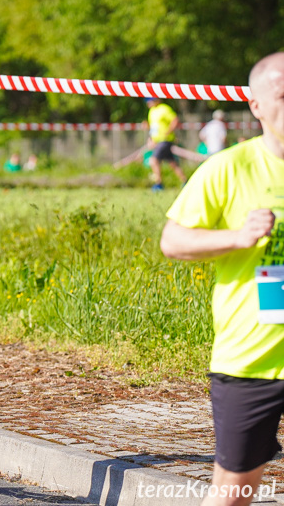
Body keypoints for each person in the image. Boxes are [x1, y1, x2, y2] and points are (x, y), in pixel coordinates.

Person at [159, 52, 284, 506]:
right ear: (256, 107)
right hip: (250, 362)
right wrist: (240, 236)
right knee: (233, 495)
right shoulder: (229, 168)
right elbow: (172, 241)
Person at [144, 97, 187, 190]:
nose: (148, 103)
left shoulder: (164, 108)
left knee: (154, 160)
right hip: (158, 141)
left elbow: (175, 119)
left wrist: (169, 131)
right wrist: (151, 139)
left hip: (165, 140)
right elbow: (153, 127)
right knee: (172, 163)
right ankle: (185, 181)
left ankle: (159, 183)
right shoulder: (151, 111)